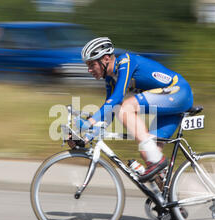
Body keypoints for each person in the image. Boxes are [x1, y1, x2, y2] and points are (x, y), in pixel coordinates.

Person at [69, 37, 193, 184]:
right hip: (169, 105)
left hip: (179, 92)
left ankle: (158, 162)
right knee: (147, 153)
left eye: (92, 64)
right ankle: (174, 204)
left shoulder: (125, 62)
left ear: (106, 58)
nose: (89, 70)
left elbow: (117, 98)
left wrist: (89, 121)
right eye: (87, 66)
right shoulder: (110, 80)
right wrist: (85, 138)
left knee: (126, 107)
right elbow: (111, 111)